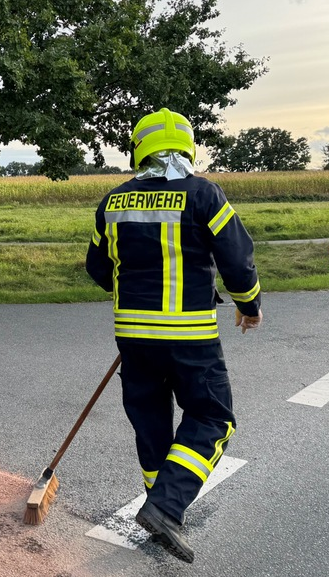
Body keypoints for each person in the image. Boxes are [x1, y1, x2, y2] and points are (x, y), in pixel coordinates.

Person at [84, 108, 262, 563]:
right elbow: (236, 258)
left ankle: (158, 504)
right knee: (212, 420)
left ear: (138, 148)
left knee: (151, 422)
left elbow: (99, 270)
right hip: (190, 338)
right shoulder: (204, 195)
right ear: (187, 147)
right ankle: (165, 507)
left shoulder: (113, 202)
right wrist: (248, 304)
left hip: (134, 339)